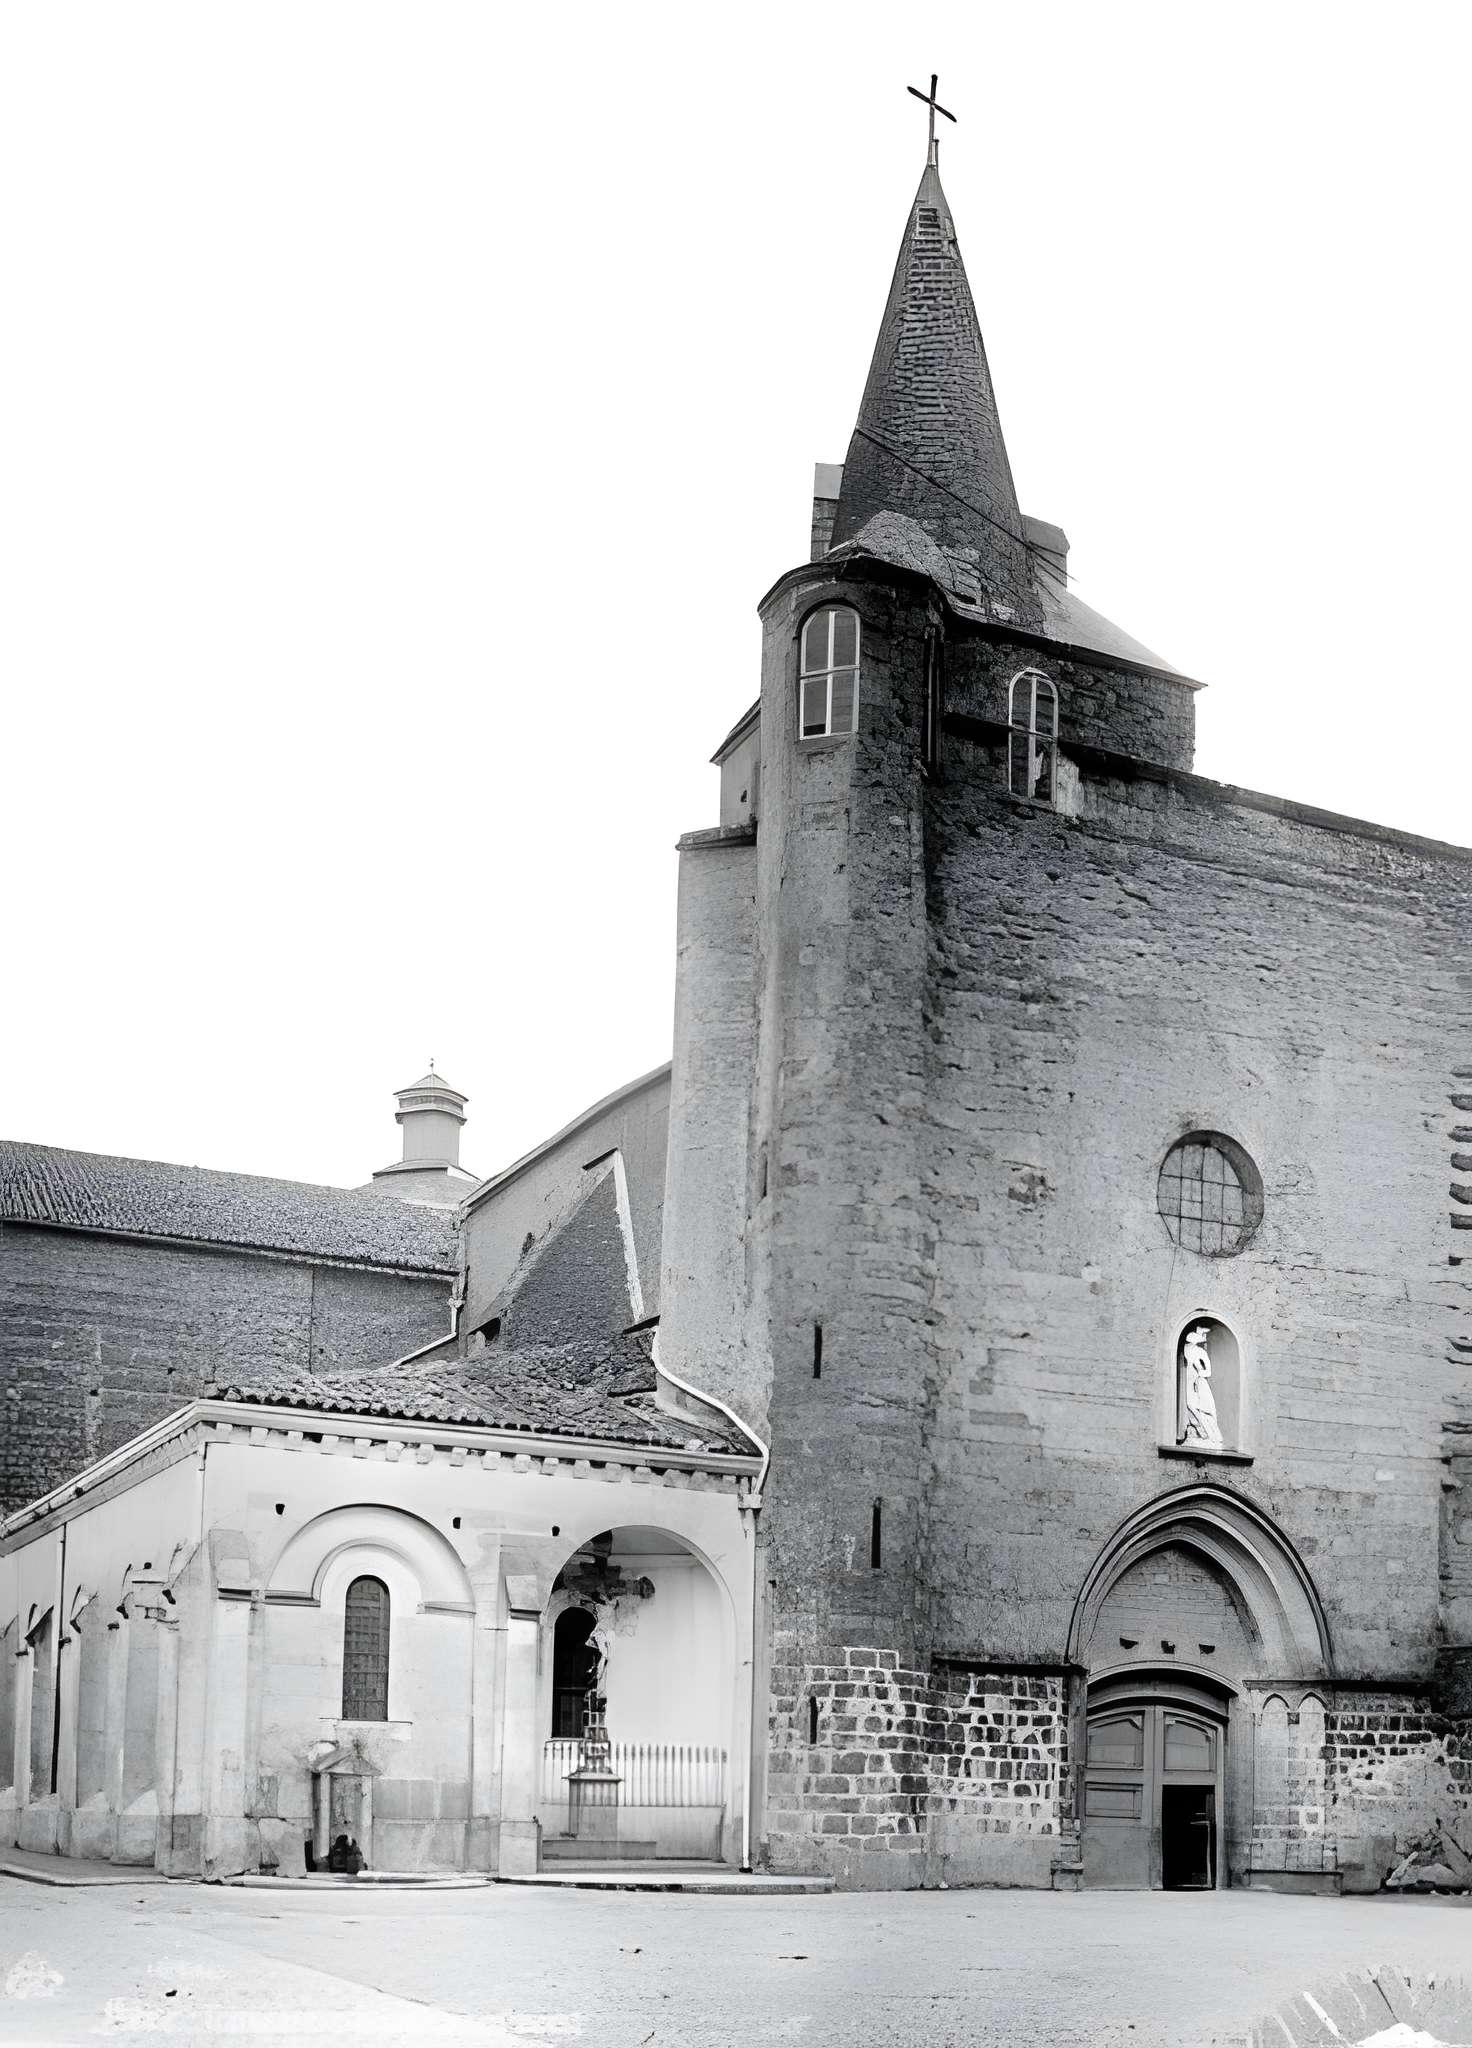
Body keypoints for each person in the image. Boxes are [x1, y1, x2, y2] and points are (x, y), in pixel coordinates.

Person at [1179, 1325, 1222, 1446]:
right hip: (1185, 1380)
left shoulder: (1200, 1351)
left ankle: (1208, 1434)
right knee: (1187, 1405)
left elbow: (1208, 1371)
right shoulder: (1184, 1349)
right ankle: (1196, 1432)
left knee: (1196, 1406)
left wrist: (1198, 1372)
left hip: (1196, 1382)